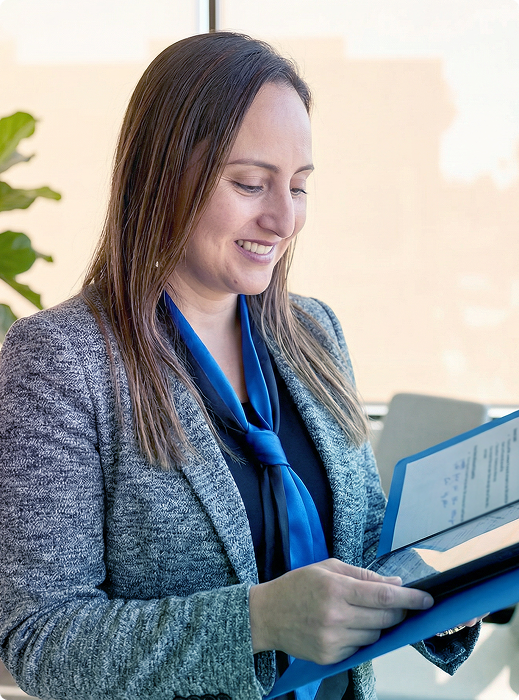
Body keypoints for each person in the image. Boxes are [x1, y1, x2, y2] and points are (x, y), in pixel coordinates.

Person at [0, 32, 478, 700]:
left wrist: (457, 581)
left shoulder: (313, 331)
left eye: (300, 187)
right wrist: (258, 621)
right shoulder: (60, 361)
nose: (283, 219)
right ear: (163, 173)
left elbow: (363, 534)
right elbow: (42, 640)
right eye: (250, 184)